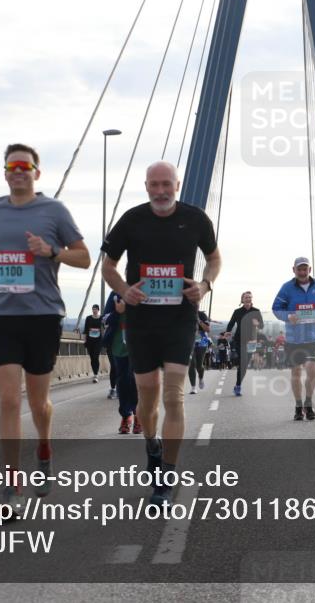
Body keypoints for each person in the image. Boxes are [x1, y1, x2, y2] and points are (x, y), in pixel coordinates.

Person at [0, 143, 90, 511]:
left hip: (42, 316)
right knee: (9, 400)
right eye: (12, 165)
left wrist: (52, 252)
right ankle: (11, 484)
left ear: (36, 173)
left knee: (39, 403)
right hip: (1, 316)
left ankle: (44, 446)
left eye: (25, 165)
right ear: (5, 172)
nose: (18, 171)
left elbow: (84, 258)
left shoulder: (54, 211)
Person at [102, 161, 221, 505]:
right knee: (148, 397)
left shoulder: (196, 219)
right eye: (154, 184)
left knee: (174, 394)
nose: (160, 190)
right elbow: (108, 267)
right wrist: (124, 290)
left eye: (166, 184)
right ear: (146, 186)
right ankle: (151, 444)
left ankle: (166, 476)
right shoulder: (132, 219)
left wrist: (205, 284)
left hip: (180, 318)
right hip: (141, 320)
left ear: (177, 185)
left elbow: (215, 259)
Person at [271, 257, 315, 421]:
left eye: (305, 269)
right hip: (293, 338)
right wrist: (288, 316)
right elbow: (276, 308)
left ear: (309, 270)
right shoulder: (287, 288)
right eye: (299, 269)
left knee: (312, 371)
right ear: (294, 270)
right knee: (296, 372)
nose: (303, 272)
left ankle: (309, 403)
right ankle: (298, 406)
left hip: (312, 337)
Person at [105, 292, 140, 434]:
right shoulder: (116, 294)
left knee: (135, 380)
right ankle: (126, 416)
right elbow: (105, 318)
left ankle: (139, 415)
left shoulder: (147, 292)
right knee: (123, 381)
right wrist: (117, 312)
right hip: (119, 346)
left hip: (140, 345)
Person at [225, 291, 264, 396]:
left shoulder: (256, 311)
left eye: (250, 297)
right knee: (243, 362)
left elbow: (262, 326)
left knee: (245, 366)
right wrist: (228, 331)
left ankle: (238, 384)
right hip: (239, 340)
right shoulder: (237, 311)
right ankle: (238, 387)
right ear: (242, 299)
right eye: (246, 297)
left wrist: (258, 324)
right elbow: (231, 323)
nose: (248, 299)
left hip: (252, 341)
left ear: (252, 299)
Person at [189, 310, 212, 393]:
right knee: (192, 364)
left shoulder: (202, 314)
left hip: (202, 341)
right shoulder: (184, 312)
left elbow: (208, 329)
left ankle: (201, 378)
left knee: (199, 365)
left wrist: (198, 320)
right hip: (189, 341)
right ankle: (193, 387)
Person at [83, 304, 105, 386]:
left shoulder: (101, 318)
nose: (94, 310)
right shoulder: (88, 318)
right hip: (90, 340)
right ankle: (95, 372)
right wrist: (85, 340)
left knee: (96, 356)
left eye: (95, 309)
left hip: (98, 340)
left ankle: (96, 375)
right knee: (92, 358)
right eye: (93, 309)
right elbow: (85, 329)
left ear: (98, 310)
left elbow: (104, 328)